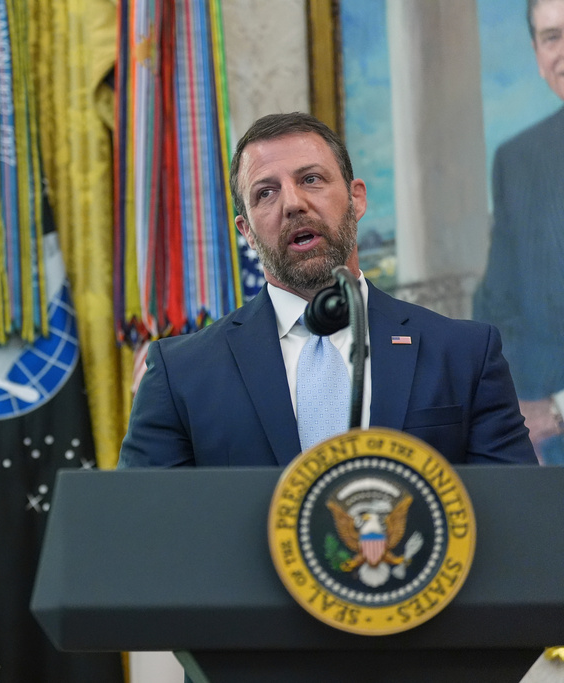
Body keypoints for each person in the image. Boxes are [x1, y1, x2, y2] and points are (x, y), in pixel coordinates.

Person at [119, 112, 537, 468]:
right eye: (266, 192)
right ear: (246, 231)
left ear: (356, 200)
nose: (292, 203)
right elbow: (144, 534)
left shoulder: (463, 354)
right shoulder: (180, 374)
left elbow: (517, 518)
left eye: (311, 179)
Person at [473, 0, 564, 465]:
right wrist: (509, 414)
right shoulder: (518, 161)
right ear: (536, 52)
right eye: (552, 37)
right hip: (549, 449)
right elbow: (497, 303)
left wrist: (559, 410)